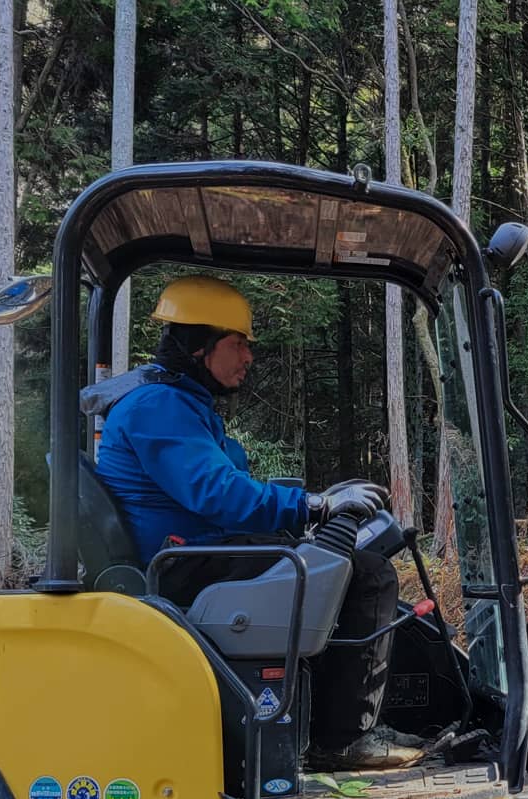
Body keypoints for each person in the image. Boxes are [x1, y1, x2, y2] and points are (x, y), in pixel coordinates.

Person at [92, 275, 424, 771]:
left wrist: (309, 508)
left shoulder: (179, 402)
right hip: (186, 564)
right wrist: (315, 507)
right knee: (368, 576)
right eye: (238, 343)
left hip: (195, 553)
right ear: (200, 346)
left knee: (338, 566)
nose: (248, 356)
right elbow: (218, 493)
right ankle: (344, 740)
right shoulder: (159, 406)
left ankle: (331, 724)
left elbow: (222, 488)